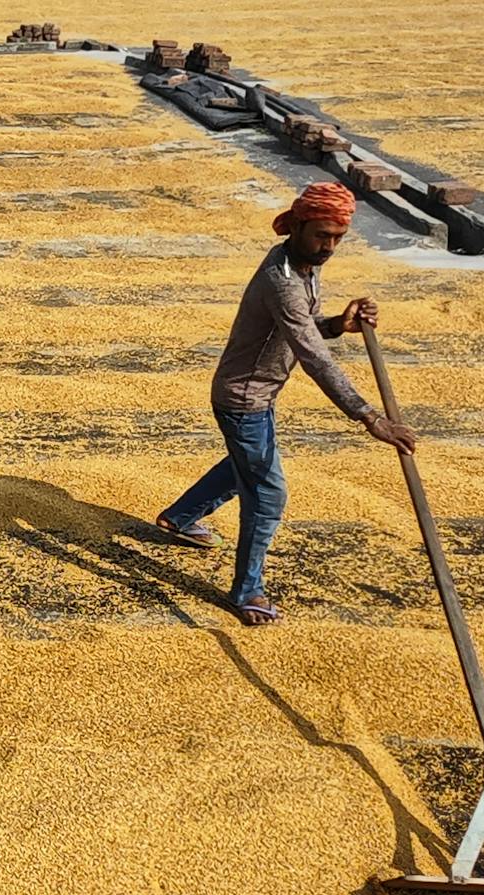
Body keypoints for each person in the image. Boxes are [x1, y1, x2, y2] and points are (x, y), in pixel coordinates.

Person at [155, 181, 417, 626]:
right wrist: (369, 417)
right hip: (243, 400)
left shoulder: (303, 266)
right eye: (321, 235)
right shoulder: (282, 281)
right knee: (268, 491)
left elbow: (306, 329)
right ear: (296, 226)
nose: (329, 247)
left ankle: (180, 518)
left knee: (249, 467)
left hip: (258, 393)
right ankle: (247, 591)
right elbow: (313, 355)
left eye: (337, 238)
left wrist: (338, 323)